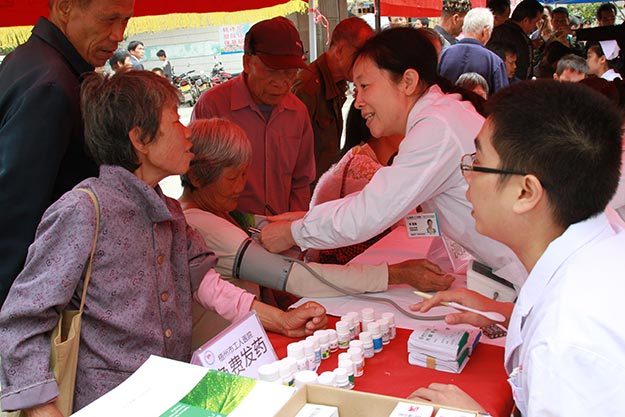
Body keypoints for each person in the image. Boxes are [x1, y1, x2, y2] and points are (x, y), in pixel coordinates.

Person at [0, 71, 327, 415]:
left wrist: (280, 320)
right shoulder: (83, 211)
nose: (188, 133)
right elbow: (23, 316)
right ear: (140, 139)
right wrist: (42, 408)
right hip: (111, 403)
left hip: (173, 394)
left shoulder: (168, 210)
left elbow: (207, 284)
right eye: (175, 121)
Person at [409, 81, 625, 416]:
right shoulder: (602, 233)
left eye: (477, 161)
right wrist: (507, 314)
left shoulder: (565, 341)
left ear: (526, 192)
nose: (467, 176)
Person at [259, 27, 527, 289]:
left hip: (525, 270)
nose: (358, 101)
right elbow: (374, 200)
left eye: (364, 86)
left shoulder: (436, 128)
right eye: (355, 89)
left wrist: (294, 233)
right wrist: (305, 220)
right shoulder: (441, 114)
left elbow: (370, 211)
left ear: (407, 82)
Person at [179, 118, 453, 342]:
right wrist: (394, 274)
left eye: (243, 173)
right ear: (197, 177)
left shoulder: (220, 214)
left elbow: (276, 229)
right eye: (232, 177)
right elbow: (298, 277)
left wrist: (299, 227)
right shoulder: (206, 226)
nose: (242, 186)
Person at [0, 0, 134, 307]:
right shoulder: (53, 85)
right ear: (64, 8)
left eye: (125, 21)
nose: (118, 35)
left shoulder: (28, 58)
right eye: (109, 19)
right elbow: (16, 214)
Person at [192, 17, 315, 215]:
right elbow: (197, 183)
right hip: (225, 228)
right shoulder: (212, 106)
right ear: (247, 63)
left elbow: (301, 182)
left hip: (281, 229)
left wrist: (292, 226)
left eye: (290, 72)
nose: (281, 82)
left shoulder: (298, 112)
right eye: (271, 71)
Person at [292, 17, 374, 185]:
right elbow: (290, 153)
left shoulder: (339, 84)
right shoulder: (307, 88)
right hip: (307, 190)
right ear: (340, 50)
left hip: (326, 185)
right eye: (360, 54)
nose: (364, 62)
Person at [439, 8, 509, 95]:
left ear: (464, 28)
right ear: (485, 31)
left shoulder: (443, 55)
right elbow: (501, 98)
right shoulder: (494, 62)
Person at [486, 0, 544, 80]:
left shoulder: (500, 30)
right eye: (536, 21)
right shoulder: (515, 36)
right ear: (526, 20)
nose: (536, 26)